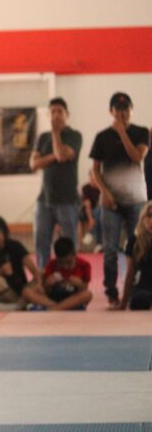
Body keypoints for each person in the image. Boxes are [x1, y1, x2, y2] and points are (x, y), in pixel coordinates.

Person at [89, 92, 149, 307]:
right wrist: (104, 193)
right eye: (117, 109)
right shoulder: (102, 136)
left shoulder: (141, 132)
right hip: (110, 202)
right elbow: (95, 170)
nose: (122, 113)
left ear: (132, 110)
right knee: (110, 250)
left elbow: (137, 157)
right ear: (111, 111)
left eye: (125, 109)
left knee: (138, 248)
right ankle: (112, 293)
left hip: (136, 201)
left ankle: (136, 290)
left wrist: (122, 132)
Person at [29, 97, 82, 269]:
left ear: (67, 114)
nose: (56, 115)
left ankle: (71, 276)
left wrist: (56, 134)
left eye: (60, 111)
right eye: (52, 112)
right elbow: (33, 164)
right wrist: (54, 156)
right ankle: (43, 276)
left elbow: (61, 155)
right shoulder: (42, 137)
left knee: (69, 244)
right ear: (48, 115)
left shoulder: (74, 136)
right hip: (44, 199)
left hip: (67, 200)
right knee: (41, 242)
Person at [0, 215, 42, 311]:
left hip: (19, 290)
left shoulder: (15, 246)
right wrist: (0, 272)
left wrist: (39, 285)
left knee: (43, 274)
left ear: (4, 232)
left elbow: (34, 271)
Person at [21, 237, 93, 311]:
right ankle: (60, 307)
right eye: (61, 263)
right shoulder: (52, 264)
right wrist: (47, 284)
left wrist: (80, 284)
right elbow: (45, 290)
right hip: (53, 299)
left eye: (69, 262)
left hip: (73, 298)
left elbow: (84, 289)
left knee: (88, 295)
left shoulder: (84, 265)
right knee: (26, 292)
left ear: (74, 255)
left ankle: (54, 308)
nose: (65, 266)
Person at [118, 201, 152, 311]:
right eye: (149, 216)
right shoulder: (134, 240)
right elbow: (130, 273)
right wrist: (123, 304)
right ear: (142, 218)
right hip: (143, 289)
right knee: (139, 300)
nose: (151, 221)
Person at [79, 169, 103, 251]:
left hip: (100, 211)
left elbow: (101, 203)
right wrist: (90, 219)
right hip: (87, 211)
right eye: (92, 176)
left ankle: (91, 233)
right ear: (89, 177)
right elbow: (87, 204)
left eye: (95, 176)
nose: (93, 179)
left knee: (98, 212)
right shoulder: (86, 187)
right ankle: (99, 243)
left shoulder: (101, 188)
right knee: (98, 213)